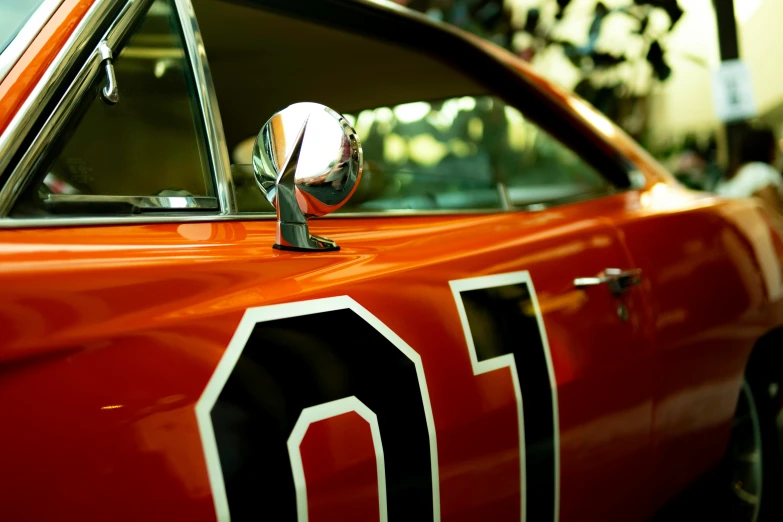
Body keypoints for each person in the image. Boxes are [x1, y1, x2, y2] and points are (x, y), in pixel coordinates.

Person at [716, 128, 783, 212]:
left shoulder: (736, 172)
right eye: (774, 145)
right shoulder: (761, 172)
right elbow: (774, 214)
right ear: (767, 148)